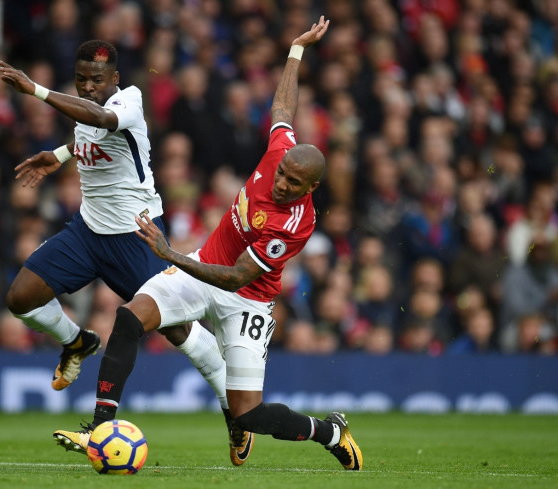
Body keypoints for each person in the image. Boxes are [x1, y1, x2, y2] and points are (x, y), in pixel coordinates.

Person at [54, 18, 363, 471]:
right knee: (128, 318)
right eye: (281, 174)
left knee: (251, 414)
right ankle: (100, 427)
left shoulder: (294, 224)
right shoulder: (282, 152)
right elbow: (283, 107)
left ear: (312, 187)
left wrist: (169, 254)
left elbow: (237, 276)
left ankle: (330, 431)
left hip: (247, 301)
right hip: (202, 266)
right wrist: (295, 51)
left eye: (293, 183)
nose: (280, 183)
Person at [0, 41, 251, 464]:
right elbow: (88, 134)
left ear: (114, 79)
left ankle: (235, 413)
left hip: (137, 237)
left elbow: (102, 119)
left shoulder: (129, 100)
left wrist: (35, 90)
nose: (88, 87)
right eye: (81, 80)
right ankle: (77, 343)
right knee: (20, 298)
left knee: (178, 332)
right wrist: (58, 155)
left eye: (97, 80)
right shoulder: (82, 107)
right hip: (87, 232)